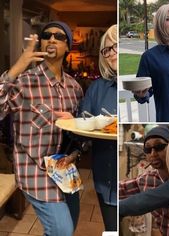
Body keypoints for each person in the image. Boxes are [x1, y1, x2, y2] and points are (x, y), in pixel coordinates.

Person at [0, 21, 83, 236]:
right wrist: (17, 68)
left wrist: (75, 152)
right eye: (47, 35)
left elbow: (79, 133)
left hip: (65, 169)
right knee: (62, 230)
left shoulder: (74, 88)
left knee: (69, 226)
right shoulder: (24, 81)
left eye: (59, 36)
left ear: (68, 46)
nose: (52, 39)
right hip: (34, 170)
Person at [79, 24, 117, 231]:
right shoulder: (97, 88)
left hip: (131, 182)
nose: (112, 53)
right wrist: (75, 123)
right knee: (111, 229)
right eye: (107, 49)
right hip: (105, 179)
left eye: (116, 46)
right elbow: (82, 126)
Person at [119, 125, 169, 236]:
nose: (153, 154)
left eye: (159, 146)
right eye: (147, 149)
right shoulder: (148, 179)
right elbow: (121, 188)